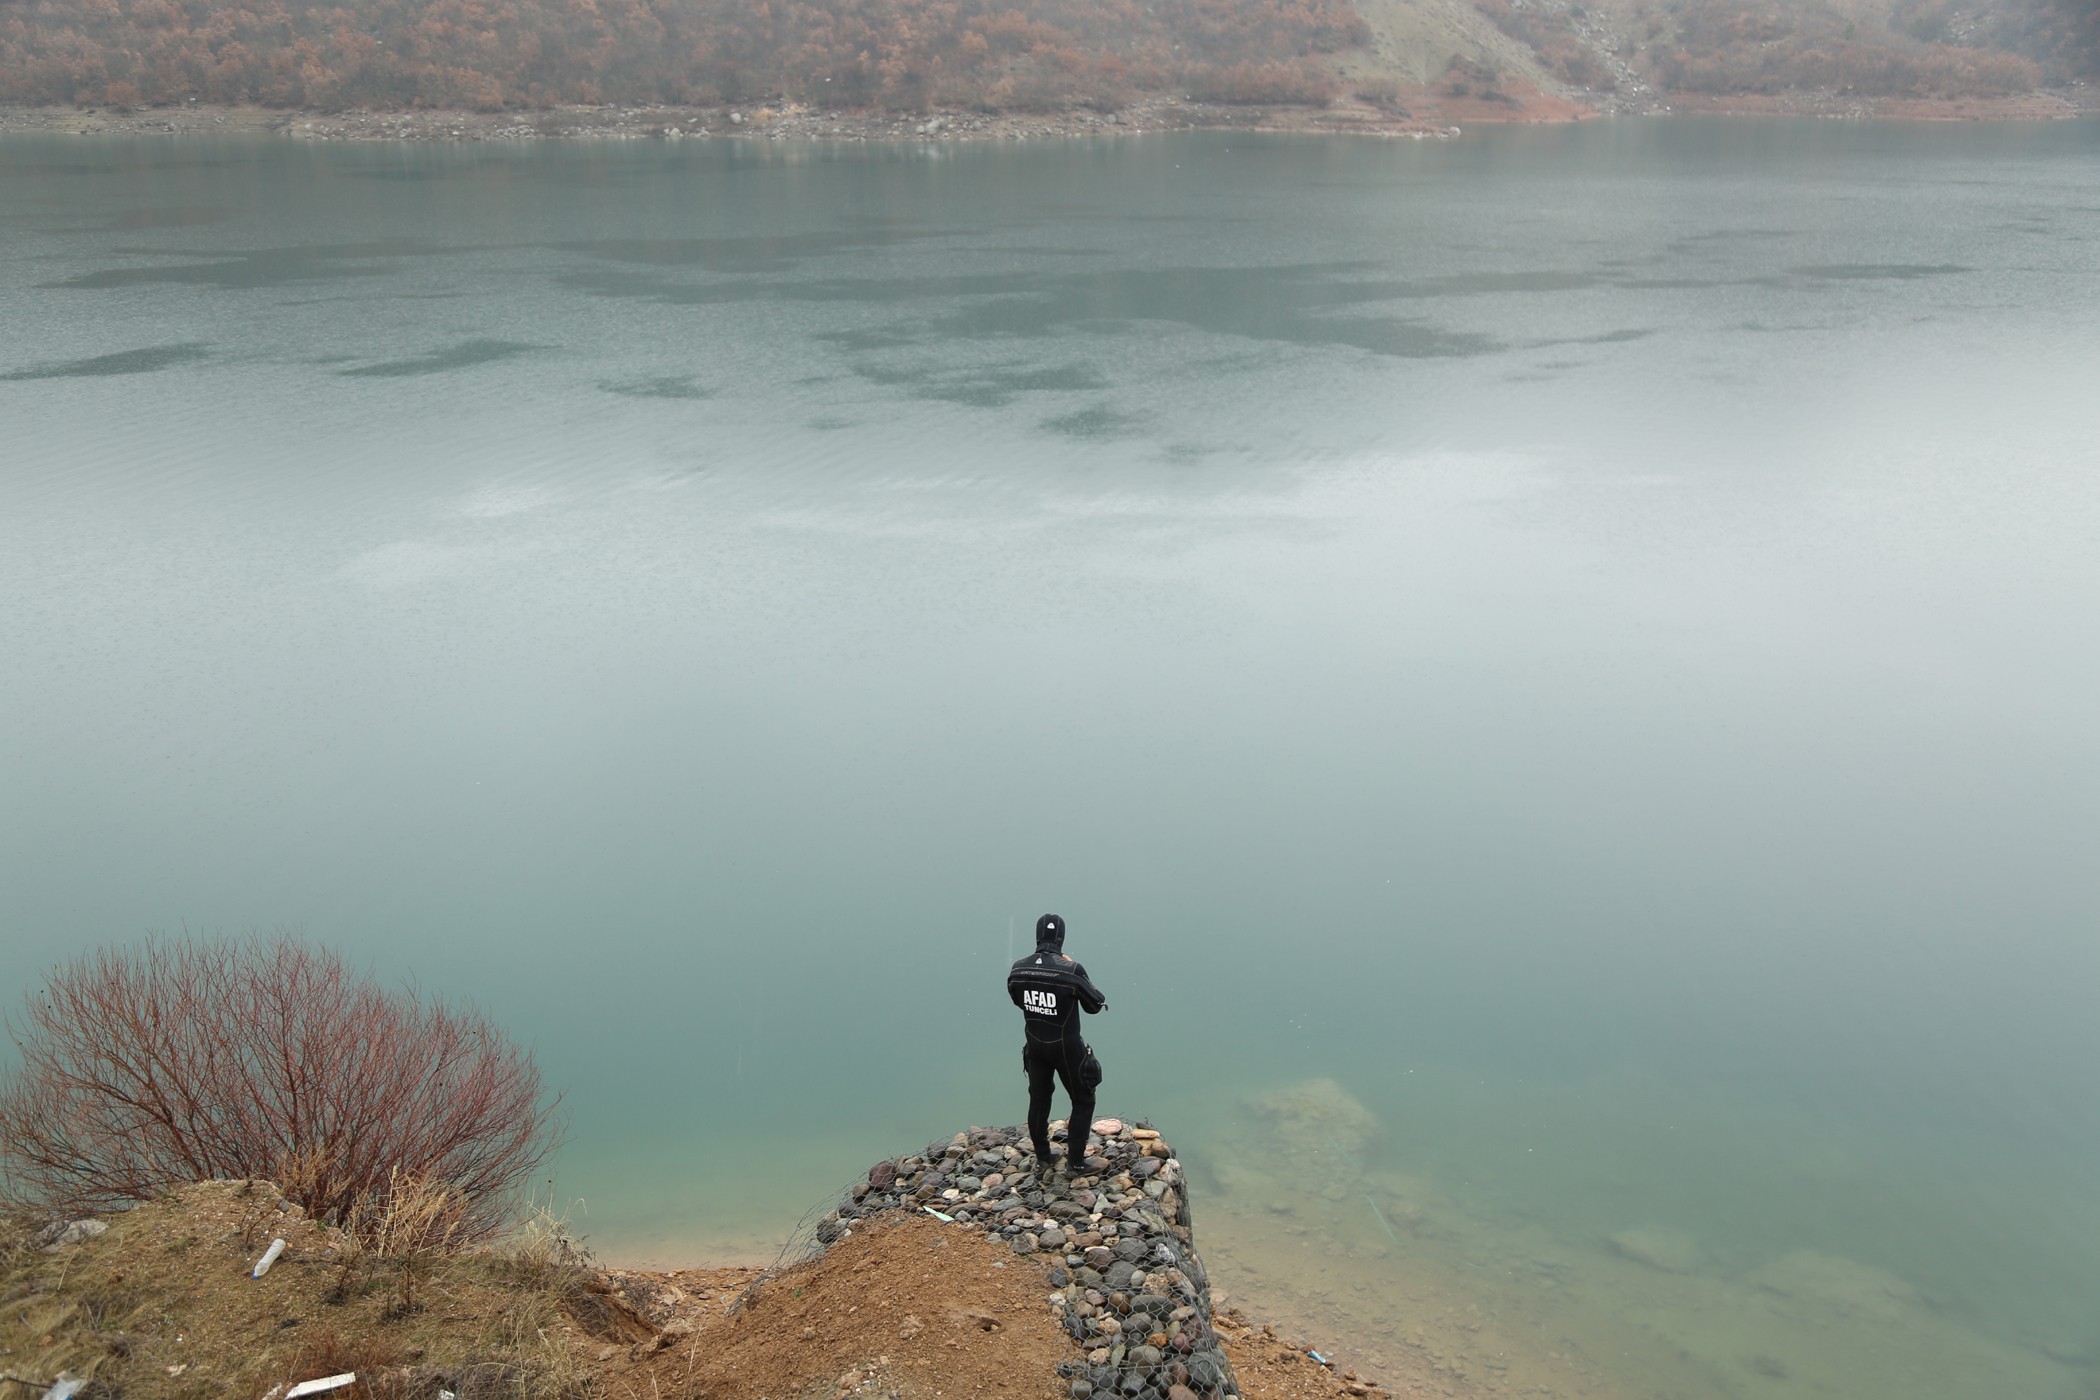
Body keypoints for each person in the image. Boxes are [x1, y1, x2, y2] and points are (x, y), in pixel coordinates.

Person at [1006, 912, 1108, 1175]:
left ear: (1037, 936)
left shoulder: (1018, 968)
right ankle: (1075, 1164)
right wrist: (1074, 971)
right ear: (1061, 938)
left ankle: (1043, 1157)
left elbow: (1016, 998)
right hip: (1067, 1047)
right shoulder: (1070, 970)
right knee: (1083, 1100)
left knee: (1039, 1101)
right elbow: (1095, 1004)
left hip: (1036, 1045)